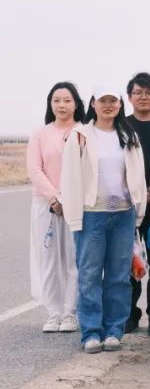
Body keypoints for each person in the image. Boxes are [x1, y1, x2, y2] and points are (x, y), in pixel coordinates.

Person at [60, 88, 146, 354]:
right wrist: (74, 216)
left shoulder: (129, 135)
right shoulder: (80, 135)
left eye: (113, 101)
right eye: (102, 101)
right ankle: (91, 332)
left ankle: (113, 331)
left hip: (123, 213)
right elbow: (70, 177)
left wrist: (138, 210)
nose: (108, 105)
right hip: (91, 214)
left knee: (119, 276)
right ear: (93, 104)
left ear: (120, 104)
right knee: (89, 275)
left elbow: (138, 173)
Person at [27, 82, 84, 334]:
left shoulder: (84, 131)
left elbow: (87, 170)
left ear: (76, 103)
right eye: (56, 100)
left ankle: (71, 312)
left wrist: (68, 198)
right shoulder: (40, 134)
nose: (62, 105)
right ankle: (54, 312)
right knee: (48, 259)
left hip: (77, 205)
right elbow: (34, 169)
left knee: (74, 259)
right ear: (50, 104)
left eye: (67, 100)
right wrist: (53, 197)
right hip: (45, 205)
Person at [125, 72, 150, 337]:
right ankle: (128, 314)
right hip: (127, 205)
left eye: (149, 92)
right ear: (129, 97)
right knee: (128, 261)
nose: (143, 97)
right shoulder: (121, 127)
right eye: (138, 92)